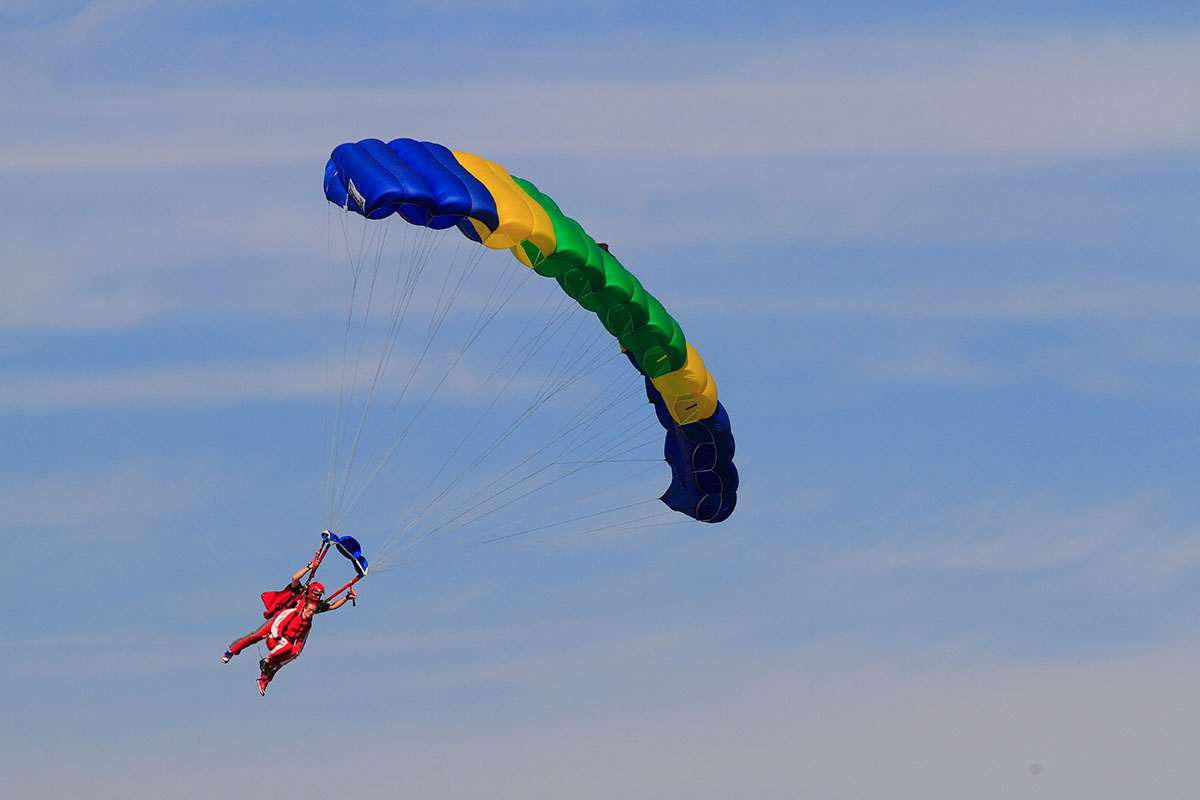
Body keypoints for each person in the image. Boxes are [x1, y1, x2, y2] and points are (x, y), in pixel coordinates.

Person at [222, 563, 357, 695]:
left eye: (319, 595)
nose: (317, 597)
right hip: (279, 620)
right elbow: (295, 578)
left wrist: (346, 597)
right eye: (316, 594)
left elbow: (332, 606)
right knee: (257, 635)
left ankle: (265, 678)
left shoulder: (316, 607)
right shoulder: (300, 592)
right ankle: (232, 650)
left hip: (290, 633)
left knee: (288, 654)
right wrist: (309, 567)